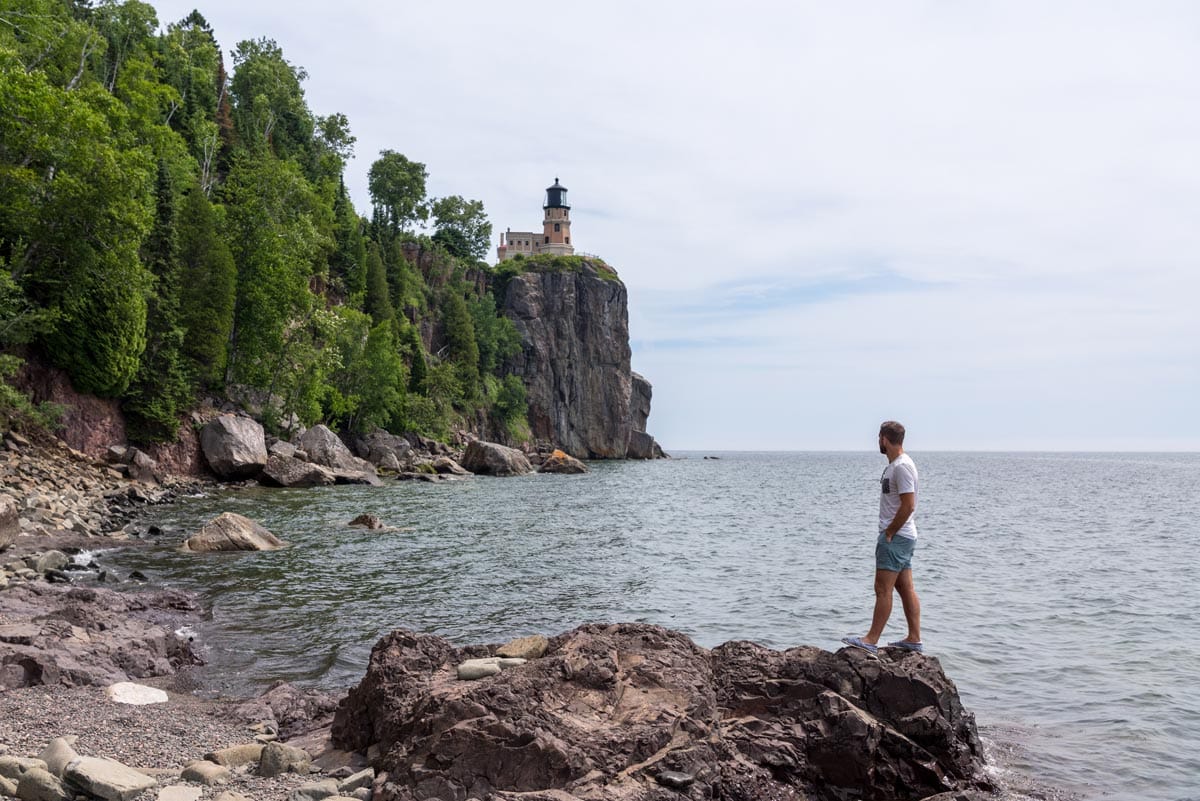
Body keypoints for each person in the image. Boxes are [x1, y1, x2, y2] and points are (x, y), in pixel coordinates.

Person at [842, 421, 923, 654]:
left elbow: (908, 505)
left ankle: (871, 639)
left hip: (896, 537)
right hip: (902, 536)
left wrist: (889, 532)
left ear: (884, 439)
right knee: (905, 588)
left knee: (882, 588)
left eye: (879, 438)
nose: (878, 442)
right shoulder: (896, 465)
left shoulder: (902, 467)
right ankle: (914, 639)